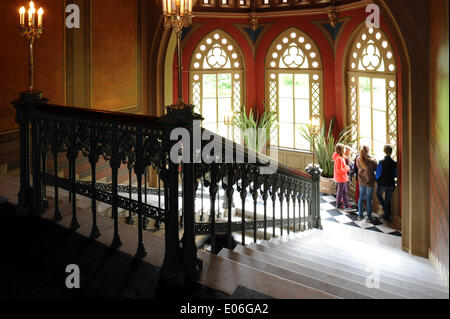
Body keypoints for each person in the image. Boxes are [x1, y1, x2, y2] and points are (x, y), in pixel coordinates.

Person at [356, 145, 378, 222]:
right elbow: (376, 169)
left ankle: (360, 216)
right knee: (369, 199)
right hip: (369, 182)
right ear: (368, 151)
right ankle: (369, 217)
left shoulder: (358, 159)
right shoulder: (372, 161)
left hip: (361, 181)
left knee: (361, 198)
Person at [376, 144, 397, 222]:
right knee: (388, 200)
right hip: (391, 183)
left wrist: (377, 179)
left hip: (382, 183)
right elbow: (395, 174)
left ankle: (385, 209)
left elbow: (378, 174)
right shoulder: (394, 163)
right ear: (391, 152)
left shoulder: (381, 162)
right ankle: (387, 215)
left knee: (378, 194)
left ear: (384, 151)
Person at [332, 144, 351, 210]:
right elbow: (340, 170)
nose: (345, 150)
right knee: (341, 191)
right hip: (341, 177)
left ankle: (346, 204)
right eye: (344, 149)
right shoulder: (339, 159)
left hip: (341, 177)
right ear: (341, 150)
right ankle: (340, 204)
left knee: (343, 191)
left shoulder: (337, 156)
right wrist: (347, 168)